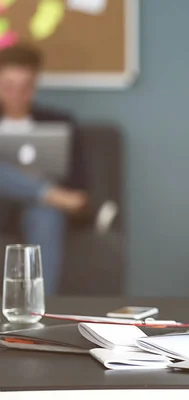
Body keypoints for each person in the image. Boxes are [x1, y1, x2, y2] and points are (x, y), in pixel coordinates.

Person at [0, 43, 89, 294]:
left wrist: (70, 199)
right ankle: (44, 191)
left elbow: (79, 189)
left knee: (46, 215)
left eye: (25, 86)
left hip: (42, 212)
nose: (17, 94)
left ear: (35, 84)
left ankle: (42, 307)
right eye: (8, 86)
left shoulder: (60, 123)